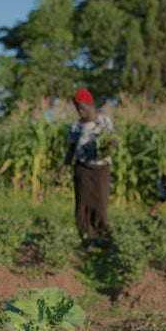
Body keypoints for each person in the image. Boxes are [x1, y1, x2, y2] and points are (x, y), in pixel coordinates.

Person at [55, 88, 117, 249]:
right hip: (82, 169)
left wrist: (111, 143)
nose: (80, 112)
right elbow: (70, 150)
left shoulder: (104, 121)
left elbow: (114, 141)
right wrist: (62, 170)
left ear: (90, 105)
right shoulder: (75, 126)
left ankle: (101, 237)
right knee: (83, 205)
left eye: (83, 107)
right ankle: (87, 239)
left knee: (100, 205)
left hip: (101, 169)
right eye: (77, 108)